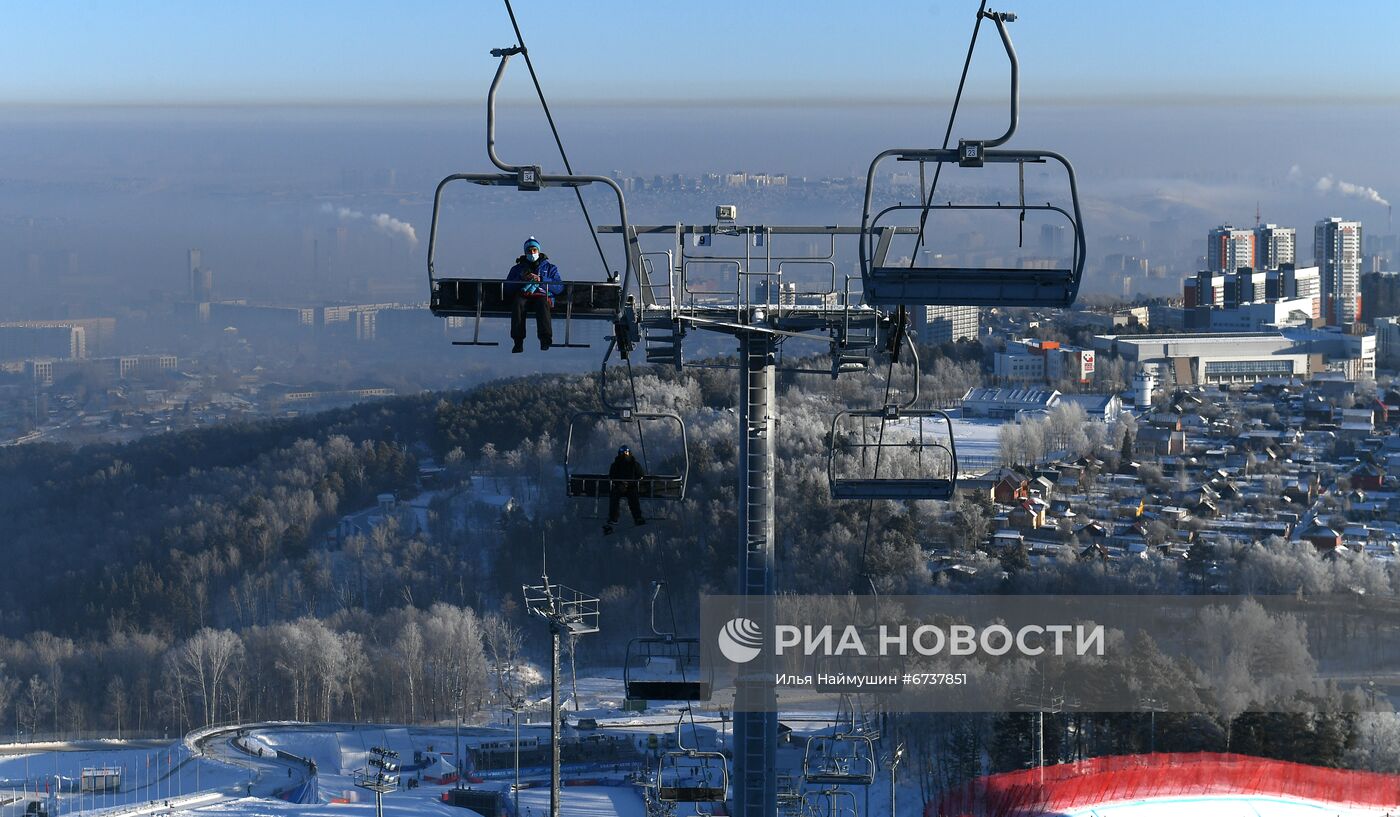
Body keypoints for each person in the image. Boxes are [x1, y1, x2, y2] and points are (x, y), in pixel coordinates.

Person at [505, 236, 563, 353]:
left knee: (542, 304)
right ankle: (518, 341)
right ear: (525, 252)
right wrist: (521, 279)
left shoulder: (550, 268)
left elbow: (559, 287)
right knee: (518, 304)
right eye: (529, 251)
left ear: (539, 251)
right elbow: (508, 287)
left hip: (541, 295)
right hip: (524, 295)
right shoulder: (517, 269)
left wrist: (541, 280)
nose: (532, 253)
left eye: (534, 250)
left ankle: (545, 339)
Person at [603, 445, 646, 535]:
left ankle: (637, 517)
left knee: (632, 497)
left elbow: (641, 476)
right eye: (623, 453)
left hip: (631, 487)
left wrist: (629, 483)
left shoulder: (634, 464)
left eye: (626, 453)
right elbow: (612, 476)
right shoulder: (616, 465)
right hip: (620, 487)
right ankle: (615, 518)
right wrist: (620, 484)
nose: (624, 455)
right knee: (616, 497)